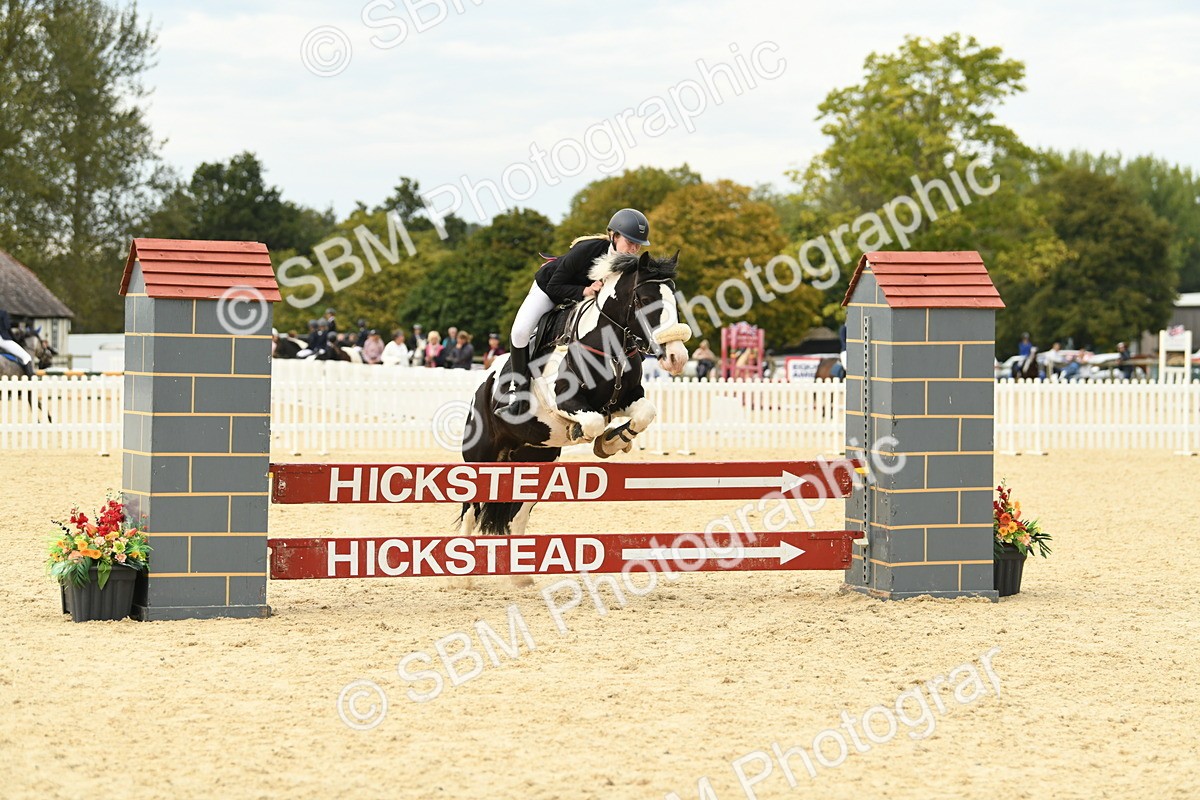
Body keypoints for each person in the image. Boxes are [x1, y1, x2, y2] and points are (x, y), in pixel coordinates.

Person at [498, 207, 651, 419]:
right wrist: (584, 290)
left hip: (584, 301)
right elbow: (554, 286)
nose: (634, 249)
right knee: (520, 332)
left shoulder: (629, 267)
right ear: (614, 236)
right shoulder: (587, 250)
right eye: (630, 241)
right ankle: (519, 394)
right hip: (550, 290)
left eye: (638, 245)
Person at [0, 309, 35, 377]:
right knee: (26, 357)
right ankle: (32, 381)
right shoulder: (3, 313)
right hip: (3, 340)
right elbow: (8, 328)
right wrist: (15, 339)